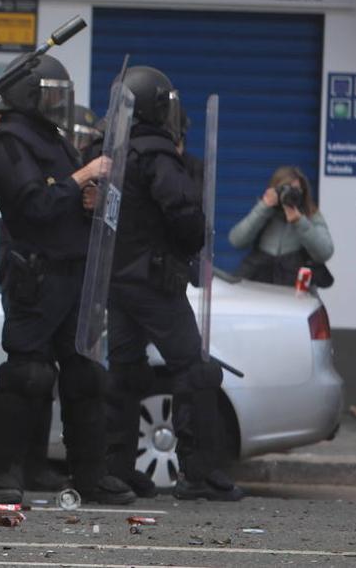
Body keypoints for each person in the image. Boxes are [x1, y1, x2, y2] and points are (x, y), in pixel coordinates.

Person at [0, 54, 135, 506]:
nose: (59, 105)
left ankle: (91, 475)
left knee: (85, 376)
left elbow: (58, 195)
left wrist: (85, 196)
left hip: (75, 273)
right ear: (27, 95)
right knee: (27, 375)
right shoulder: (5, 142)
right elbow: (32, 206)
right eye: (52, 96)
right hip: (36, 278)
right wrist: (83, 174)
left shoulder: (54, 139)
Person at [104, 67, 242, 501]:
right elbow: (185, 214)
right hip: (154, 280)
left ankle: (117, 470)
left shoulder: (111, 150)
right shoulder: (157, 155)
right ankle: (199, 474)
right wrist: (187, 244)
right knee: (195, 371)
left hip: (117, 282)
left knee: (124, 373)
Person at [229, 166, 334, 287]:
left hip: (294, 289)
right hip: (258, 288)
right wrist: (263, 208)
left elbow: (325, 252)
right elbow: (236, 241)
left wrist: (300, 222)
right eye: (285, 189)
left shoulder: (310, 213)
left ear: (304, 192)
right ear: (274, 190)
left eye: (296, 190)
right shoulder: (266, 210)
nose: (290, 194)